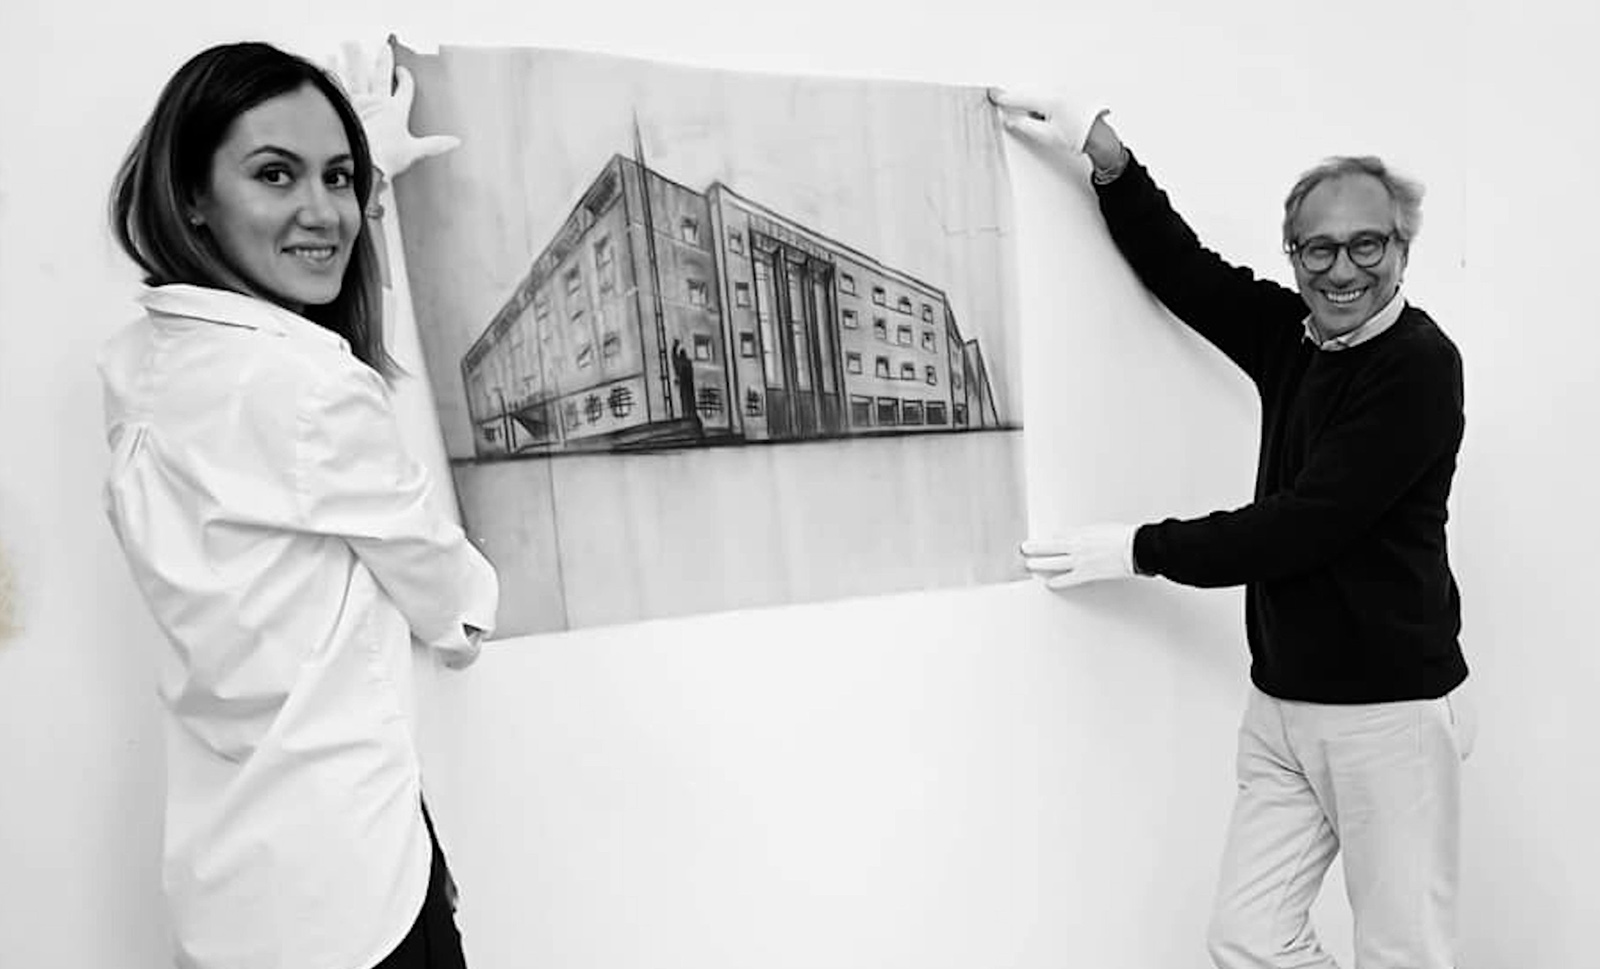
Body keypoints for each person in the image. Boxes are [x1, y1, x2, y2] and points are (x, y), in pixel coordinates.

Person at [994, 90, 1475, 969]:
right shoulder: (1293, 338)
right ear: (1293, 257)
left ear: (1403, 249)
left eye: (1366, 244)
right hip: (1284, 703)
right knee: (1249, 938)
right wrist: (1106, 158)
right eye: (1317, 249)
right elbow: (1190, 275)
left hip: (1389, 714)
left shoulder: (1418, 367)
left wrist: (1141, 547)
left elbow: (1301, 527)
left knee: (1406, 951)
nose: (1341, 270)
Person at [101, 41, 496, 969]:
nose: (326, 211)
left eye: (340, 177)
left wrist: (371, 191)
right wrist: (470, 611)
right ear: (190, 193)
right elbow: (443, 584)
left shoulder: (139, 362)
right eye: (275, 174)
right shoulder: (307, 390)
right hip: (350, 890)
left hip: (233, 882)